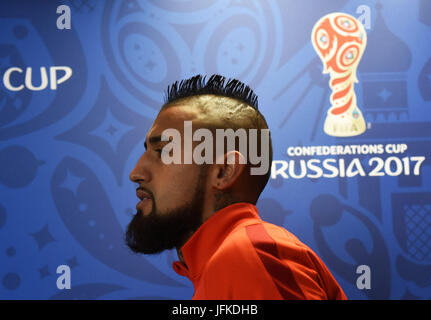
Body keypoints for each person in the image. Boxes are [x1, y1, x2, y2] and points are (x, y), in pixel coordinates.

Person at [126, 74, 347, 300]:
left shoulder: (247, 253)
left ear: (224, 171)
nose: (136, 173)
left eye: (163, 151)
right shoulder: (227, 262)